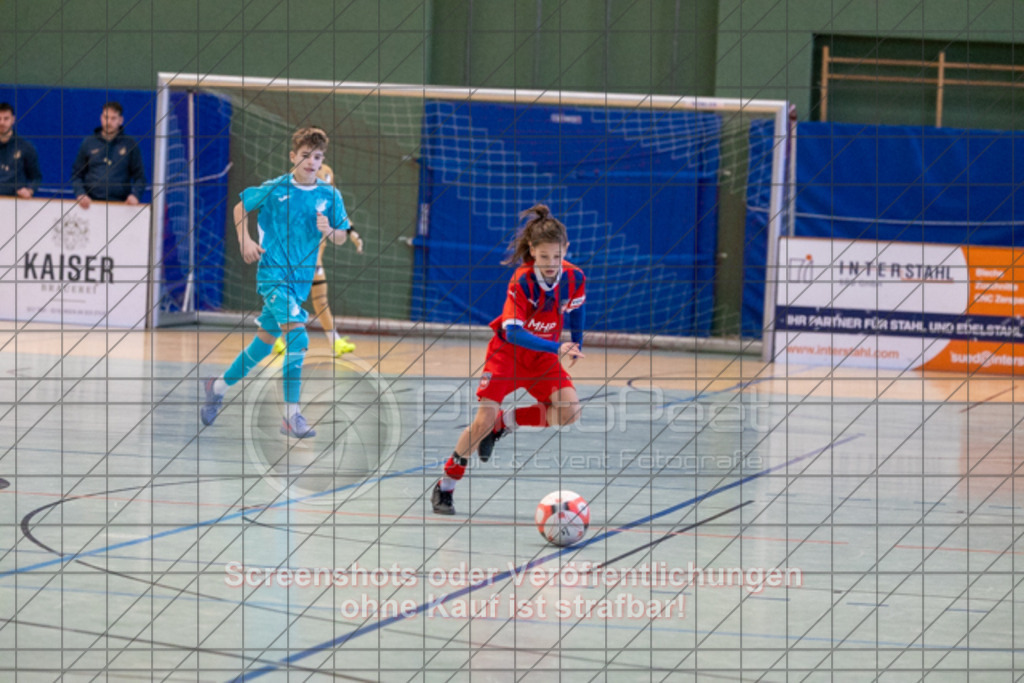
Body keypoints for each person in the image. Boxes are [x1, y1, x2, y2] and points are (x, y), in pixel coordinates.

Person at [432, 204, 586, 515]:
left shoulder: (574, 277)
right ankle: (446, 483)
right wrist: (557, 347)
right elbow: (513, 332)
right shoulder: (522, 281)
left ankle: (506, 423)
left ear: (566, 249)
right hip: (508, 356)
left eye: (557, 257)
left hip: (542, 359)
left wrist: (577, 342)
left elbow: (577, 308)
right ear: (532, 251)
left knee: (569, 412)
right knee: (482, 421)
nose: (551, 264)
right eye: (544, 258)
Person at [201, 126, 351, 438]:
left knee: (262, 346)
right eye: (305, 156)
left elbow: (341, 237)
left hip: (299, 283)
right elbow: (240, 207)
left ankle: (216, 386)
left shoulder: (329, 195)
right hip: (273, 276)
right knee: (298, 341)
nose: (311, 162)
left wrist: (329, 230)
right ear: (293, 157)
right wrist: (245, 241)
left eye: (317, 157)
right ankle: (290, 415)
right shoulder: (276, 188)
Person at [272, 162, 363, 357]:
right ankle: (283, 339)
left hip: (313, 257)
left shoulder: (328, 176)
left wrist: (354, 236)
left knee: (319, 300)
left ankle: (333, 342)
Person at [70, 101, 146, 208]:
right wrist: (80, 194)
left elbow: (140, 178)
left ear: (120, 120)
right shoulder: (88, 143)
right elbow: (76, 175)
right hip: (91, 205)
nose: (108, 122)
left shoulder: (130, 144)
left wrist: (135, 195)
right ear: (101, 118)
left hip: (121, 206)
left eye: (113, 118)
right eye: (106, 117)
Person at [0, 102, 42, 198]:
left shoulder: (26, 147)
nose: (2, 123)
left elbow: (36, 178)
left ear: (13, 120)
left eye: (6, 119)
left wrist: (30, 190)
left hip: (17, 204)